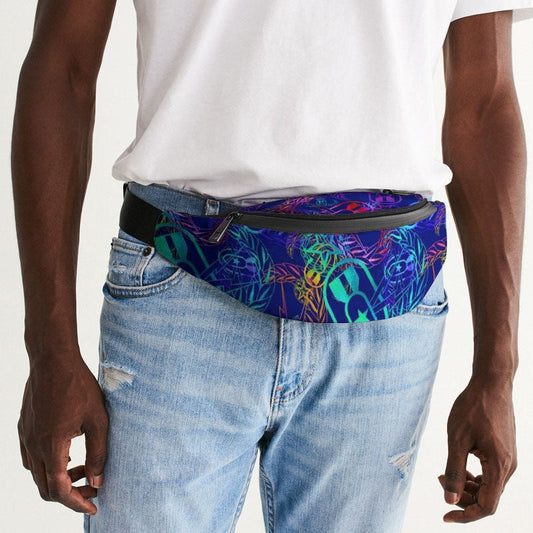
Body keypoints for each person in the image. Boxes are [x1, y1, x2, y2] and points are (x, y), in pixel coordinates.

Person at [11, 1, 532, 532]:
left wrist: (498, 370)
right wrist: (49, 350)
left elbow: (485, 104)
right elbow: (63, 66)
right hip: (185, 276)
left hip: (386, 304)